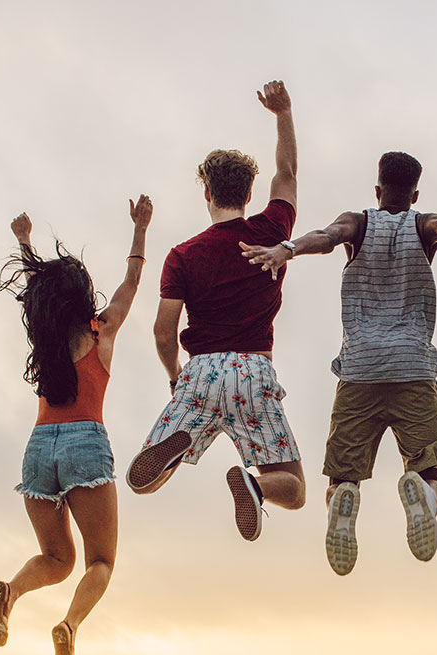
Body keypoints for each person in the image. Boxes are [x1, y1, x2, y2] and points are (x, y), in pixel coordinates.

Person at [240, 152, 437, 575]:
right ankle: (423, 498)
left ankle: (343, 502)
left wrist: (287, 250)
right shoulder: (421, 224)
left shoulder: (358, 223)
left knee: (341, 478)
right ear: (414, 194)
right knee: (429, 471)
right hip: (412, 368)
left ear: (377, 191)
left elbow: (326, 234)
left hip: (360, 371)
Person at [0, 196, 154, 655]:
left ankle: (8, 595)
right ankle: (69, 626)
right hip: (86, 443)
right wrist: (140, 228)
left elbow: (36, 287)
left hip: (38, 448)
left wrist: (23, 242)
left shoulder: (45, 338)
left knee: (57, 558)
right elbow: (132, 282)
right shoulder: (101, 331)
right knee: (100, 561)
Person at [125, 80, 304, 542]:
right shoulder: (271, 227)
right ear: (247, 192)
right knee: (295, 488)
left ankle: (177, 448)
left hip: (200, 372)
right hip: (252, 368)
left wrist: (175, 376)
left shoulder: (183, 255)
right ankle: (255, 485)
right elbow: (287, 171)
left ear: (206, 193)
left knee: (149, 482)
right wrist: (283, 113)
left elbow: (164, 333)